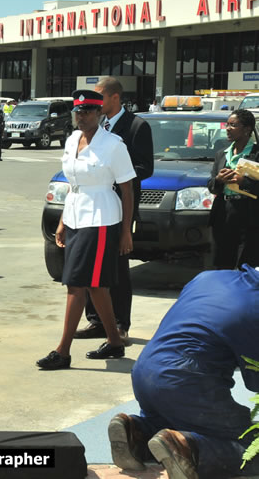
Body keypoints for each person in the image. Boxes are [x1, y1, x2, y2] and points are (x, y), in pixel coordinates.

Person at [107, 265, 259, 479]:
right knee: (251, 443)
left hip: (144, 371)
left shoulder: (208, 277)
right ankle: (187, 447)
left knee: (174, 419)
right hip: (186, 380)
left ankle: (137, 432)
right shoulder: (255, 308)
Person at [36, 89, 134, 370]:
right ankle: (115, 343)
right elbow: (73, 186)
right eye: (78, 111)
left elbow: (126, 189)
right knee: (95, 287)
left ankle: (63, 351)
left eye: (88, 111)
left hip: (102, 217)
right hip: (77, 215)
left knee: (76, 284)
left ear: (100, 112)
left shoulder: (114, 145)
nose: (82, 116)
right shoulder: (71, 140)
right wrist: (63, 221)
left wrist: (126, 231)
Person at [75, 76, 153, 340]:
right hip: (90, 209)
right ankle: (96, 320)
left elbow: (145, 167)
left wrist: (116, 173)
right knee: (89, 268)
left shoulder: (136, 126)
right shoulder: (89, 129)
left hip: (119, 207)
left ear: (115, 97)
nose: (94, 102)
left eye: (100, 96)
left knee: (117, 267)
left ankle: (120, 323)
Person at [207, 109, 259, 270]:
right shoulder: (221, 154)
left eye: (233, 125)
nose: (228, 128)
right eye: (227, 125)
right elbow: (212, 186)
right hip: (224, 212)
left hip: (249, 214)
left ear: (247, 129)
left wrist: (243, 182)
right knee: (222, 262)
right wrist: (219, 180)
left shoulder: (256, 153)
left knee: (245, 264)